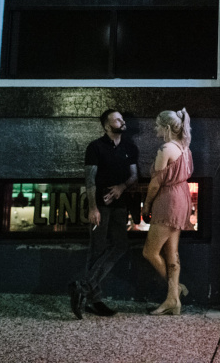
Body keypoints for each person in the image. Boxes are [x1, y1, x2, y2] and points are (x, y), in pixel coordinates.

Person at [68, 109, 138, 319]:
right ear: (107, 125)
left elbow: (134, 176)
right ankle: (94, 300)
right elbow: (90, 180)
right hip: (100, 205)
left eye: (122, 118)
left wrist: (121, 188)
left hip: (120, 205)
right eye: (117, 119)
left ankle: (83, 286)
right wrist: (93, 208)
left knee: (121, 245)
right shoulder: (95, 147)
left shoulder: (129, 147)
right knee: (97, 249)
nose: (122, 121)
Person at [141, 108, 194, 315]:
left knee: (150, 251)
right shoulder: (184, 147)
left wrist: (146, 205)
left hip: (168, 200)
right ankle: (173, 300)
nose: (156, 129)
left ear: (167, 128)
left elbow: (155, 184)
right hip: (182, 197)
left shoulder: (165, 149)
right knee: (172, 253)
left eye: (158, 125)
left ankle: (175, 291)